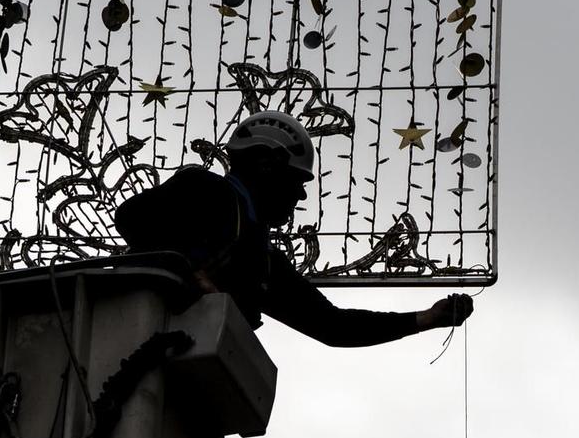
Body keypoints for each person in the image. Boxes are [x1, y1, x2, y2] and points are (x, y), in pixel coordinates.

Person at [114, 109, 473, 347]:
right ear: (267, 165)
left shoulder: (261, 260)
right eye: (297, 181)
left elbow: (332, 326)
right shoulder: (206, 189)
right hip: (126, 343)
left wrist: (426, 319)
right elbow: (132, 218)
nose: (301, 195)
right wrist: (191, 272)